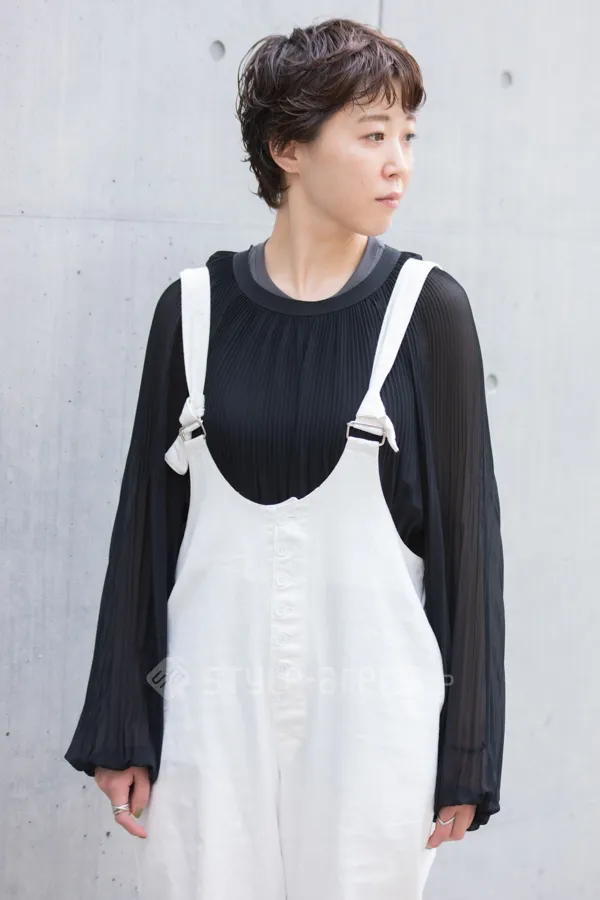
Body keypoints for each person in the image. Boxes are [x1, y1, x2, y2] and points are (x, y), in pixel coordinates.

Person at [64, 16, 505, 900]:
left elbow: (469, 548)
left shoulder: (428, 311)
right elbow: (145, 533)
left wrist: (468, 753)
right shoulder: (192, 312)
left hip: (374, 727)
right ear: (287, 149)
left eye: (407, 136)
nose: (399, 163)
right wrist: (123, 726)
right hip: (208, 717)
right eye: (372, 135)